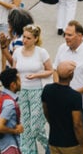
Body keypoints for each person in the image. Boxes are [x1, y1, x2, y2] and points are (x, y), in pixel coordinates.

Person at [53, 22, 83, 149]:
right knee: (58, 138)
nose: (66, 37)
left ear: (80, 36)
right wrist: (58, 88)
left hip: (82, 106)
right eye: (65, 34)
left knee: (81, 139)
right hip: (62, 104)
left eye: (70, 35)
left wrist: (75, 93)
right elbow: (55, 70)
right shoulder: (62, 49)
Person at [11, 24, 51, 154]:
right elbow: (14, 71)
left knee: (36, 126)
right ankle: (29, 151)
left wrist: (36, 75)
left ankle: (51, 147)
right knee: (25, 126)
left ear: (35, 39)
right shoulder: (17, 52)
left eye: (28, 38)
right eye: (24, 37)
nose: (25, 40)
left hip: (37, 91)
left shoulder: (41, 52)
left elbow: (50, 70)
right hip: (22, 92)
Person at [41, 61, 83, 154]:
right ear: (71, 75)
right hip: (71, 144)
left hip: (53, 141)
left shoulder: (47, 89)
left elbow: (45, 110)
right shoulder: (75, 96)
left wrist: (53, 123)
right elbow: (77, 124)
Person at [0, 67, 23, 154]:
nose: (21, 83)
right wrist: (15, 130)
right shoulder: (10, 104)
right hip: (8, 146)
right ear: (13, 85)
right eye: (19, 80)